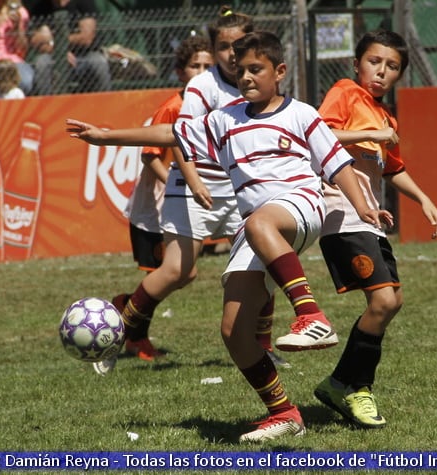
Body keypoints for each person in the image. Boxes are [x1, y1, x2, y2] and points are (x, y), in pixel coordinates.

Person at [67, 30, 382, 442]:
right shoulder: (225, 119)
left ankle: (312, 316)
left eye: (257, 69)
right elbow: (171, 135)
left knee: (257, 223)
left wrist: (361, 205)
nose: (247, 76)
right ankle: (285, 414)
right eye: (241, 69)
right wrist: (107, 137)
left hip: (300, 206)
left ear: (279, 72)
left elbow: (337, 163)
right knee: (234, 330)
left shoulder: (301, 114)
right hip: (258, 226)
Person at [77, 7, 288, 374]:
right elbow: (179, 136)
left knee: (262, 265)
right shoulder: (202, 86)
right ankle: (117, 336)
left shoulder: (261, 80)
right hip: (194, 186)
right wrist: (193, 180)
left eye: (237, 45)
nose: (230, 54)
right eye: (222, 46)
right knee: (176, 270)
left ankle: (264, 347)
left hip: (239, 190)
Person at [312, 29, 437, 429]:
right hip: (340, 213)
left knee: (392, 302)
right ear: (357, 64)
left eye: (392, 67)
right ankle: (357, 388)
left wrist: (424, 199)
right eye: (375, 62)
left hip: (368, 219)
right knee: (383, 302)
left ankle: (340, 383)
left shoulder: (386, 116)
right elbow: (317, 135)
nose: (382, 72)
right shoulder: (345, 91)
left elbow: (392, 167)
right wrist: (370, 134)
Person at [125, 34, 213, 274]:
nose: (202, 72)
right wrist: (173, 183)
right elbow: (149, 155)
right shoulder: (172, 108)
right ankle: (128, 307)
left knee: (185, 270)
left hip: (184, 197)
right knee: (162, 271)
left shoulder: (213, 107)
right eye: (195, 66)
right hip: (156, 202)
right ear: (180, 72)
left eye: (208, 67)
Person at [28, 0, 111, 94]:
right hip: (53, 55)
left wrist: (52, 39)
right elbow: (36, 41)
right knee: (42, 62)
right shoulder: (40, 7)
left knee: (98, 62)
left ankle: (104, 104)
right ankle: (45, 104)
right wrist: (59, 52)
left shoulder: (84, 3)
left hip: (84, 56)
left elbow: (86, 38)